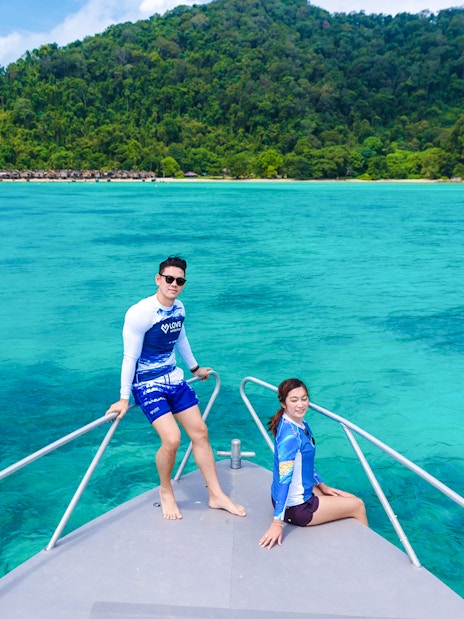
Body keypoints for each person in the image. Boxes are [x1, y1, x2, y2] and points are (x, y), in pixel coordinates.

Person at [106, 255, 246, 521]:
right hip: (147, 385)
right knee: (171, 439)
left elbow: (180, 338)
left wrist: (194, 368)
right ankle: (166, 489)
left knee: (201, 432)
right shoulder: (140, 313)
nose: (173, 284)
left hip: (174, 378)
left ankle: (216, 494)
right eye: (169, 279)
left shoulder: (179, 308)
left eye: (179, 281)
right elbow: (129, 358)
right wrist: (124, 398)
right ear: (158, 279)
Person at [259, 378, 367, 549]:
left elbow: (305, 462)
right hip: (297, 508)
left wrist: (322, 486)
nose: (300, 405)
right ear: (283, 403)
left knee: (347, 498)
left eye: (304, 398)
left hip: (294, 496)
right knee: (358, 505)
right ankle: (366, 553)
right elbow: (284, 479)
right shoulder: (290, 437)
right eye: (294, 400)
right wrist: (277, 524)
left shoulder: (296, 423)